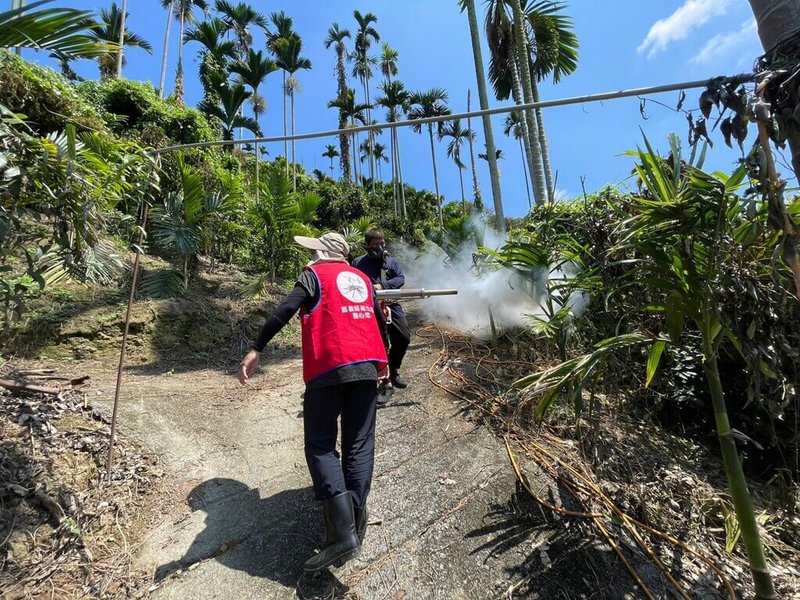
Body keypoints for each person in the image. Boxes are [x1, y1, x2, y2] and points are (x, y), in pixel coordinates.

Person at [238, 232, 389, 572]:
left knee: (320, 445)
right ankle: (355, 520)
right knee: (359, 445)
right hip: (366, 366)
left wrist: (257, 348)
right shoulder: (363, 279)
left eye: (314, 249)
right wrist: (385, 363)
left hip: (329, 367)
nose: (311, 254)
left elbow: (286, 309)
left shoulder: (314, 275)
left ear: (323, 252)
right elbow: (379, 321)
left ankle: (341, 535)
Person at [351, 229, 411, 390]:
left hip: (391, 304)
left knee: (403, 337)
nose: (379, 247)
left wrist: (383, 285)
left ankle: (393, 370)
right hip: (369, 308)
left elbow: (400, 279)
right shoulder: (357, 263)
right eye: (375, 244)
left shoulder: (391, 261)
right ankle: (385, 382)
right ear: (367, 246)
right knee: (379, 343)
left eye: (382, 243)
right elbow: (351, 281)